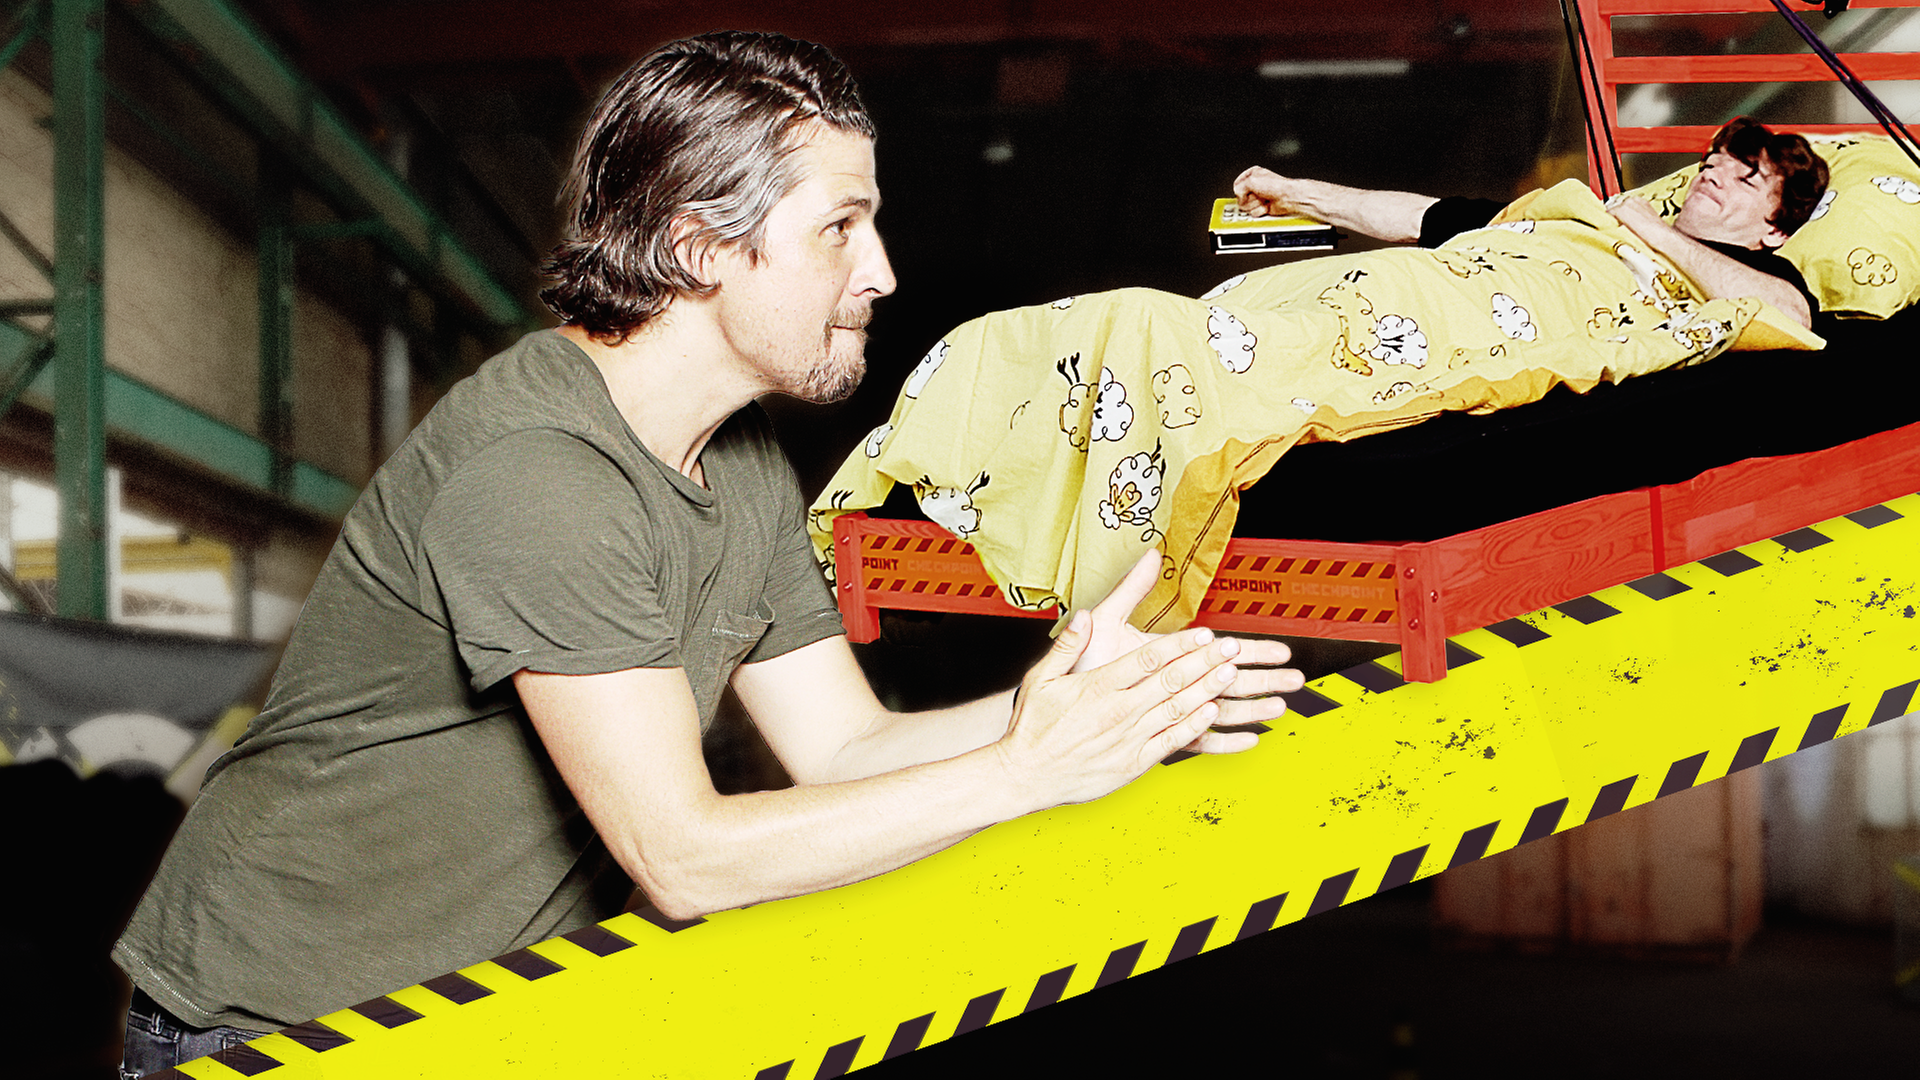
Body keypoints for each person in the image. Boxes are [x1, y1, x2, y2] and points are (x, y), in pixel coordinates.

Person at [112, 31, 1302, 1072]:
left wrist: (1071, 708)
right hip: (284, 1028)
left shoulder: (735, 461)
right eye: (839, 227)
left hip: (475, 1009)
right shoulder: (541, 475)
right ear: (697, 248)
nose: (882, 271)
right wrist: (1025, 773)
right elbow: (682, 858)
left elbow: (843, 748)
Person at [1232, 116, 1830, 329]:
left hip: (1467, 320)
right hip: (1420, 280)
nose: (1714, 173)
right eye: (1712, 162)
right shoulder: (1584, 219)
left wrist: (1652, 231)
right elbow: (1419, 215)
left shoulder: (1766, 276)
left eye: (1746, 177)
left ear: (1775, 229)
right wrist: (1291, 192)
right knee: (1244, 306)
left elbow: (1790, 316)